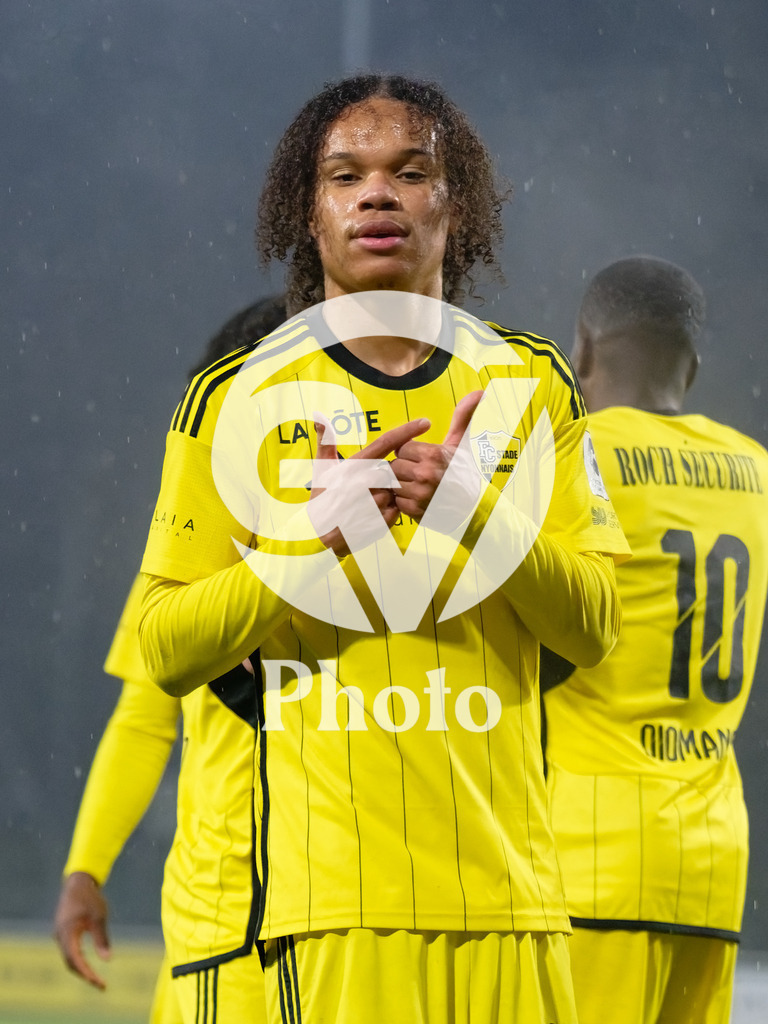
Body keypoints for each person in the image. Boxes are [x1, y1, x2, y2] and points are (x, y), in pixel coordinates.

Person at [138, 74, 629, 1024]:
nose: (377, 193)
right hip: (333, 913)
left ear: (459, 205)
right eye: (344, 175)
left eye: (411, 171)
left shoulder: (534, 384)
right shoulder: (232, 400)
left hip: (515, 903)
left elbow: (599, 623)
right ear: (307, 212)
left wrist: (472, 517)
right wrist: (311, 542)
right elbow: (165, 646)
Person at [543, 256, 768, 1024]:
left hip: (591, 857)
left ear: (582, 350)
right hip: (711, 863)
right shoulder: (758, 472)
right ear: (693, 368)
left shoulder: (570, 457)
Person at [53, 297, 287, 1024]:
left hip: (332, 917)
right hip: (230, 929)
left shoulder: (388, 541)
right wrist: (86, 866)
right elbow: (145, 715)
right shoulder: (185, 557)